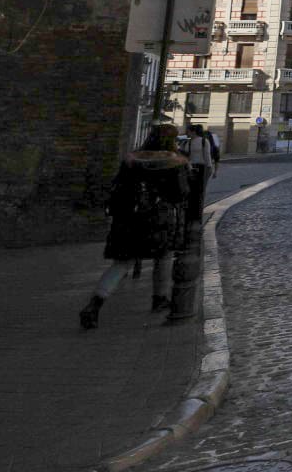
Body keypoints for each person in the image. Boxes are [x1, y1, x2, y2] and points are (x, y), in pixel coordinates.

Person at [79, 124, 190, 329]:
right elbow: (181, 193)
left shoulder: (132, 159)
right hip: (159, 219)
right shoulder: (175, 161)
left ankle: (94, 304)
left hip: (129, 218)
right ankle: (159, 298)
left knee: (122, 263)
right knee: (163, 257)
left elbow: (118, 186)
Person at [182, 122, 217, 236]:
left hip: (202, 168)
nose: (186, 132)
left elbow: (207, 156)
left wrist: (210, 168)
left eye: (188, 131)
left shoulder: (203, 141)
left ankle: (196, 215)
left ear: (193, 131)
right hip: (193, 168)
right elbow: (187, 157)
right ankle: (193, 215)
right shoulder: (188, 142)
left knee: (199, 192)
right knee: (193, 192)